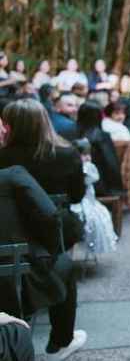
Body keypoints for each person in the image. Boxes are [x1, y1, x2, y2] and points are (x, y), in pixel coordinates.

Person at [0, 153, 86, 361]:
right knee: (63, 264)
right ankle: (61, 341)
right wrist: (47, 252)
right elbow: (51, 216)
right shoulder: (12, 175)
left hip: (13, 275)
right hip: (18, 279)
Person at [70, 139, 118, 254]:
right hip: (80, 201)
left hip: (90, 200)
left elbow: (94, 177)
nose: (87, 158)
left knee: (101, 215)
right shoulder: (74, 168)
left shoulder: (89, 167)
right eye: (83, 155)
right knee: (88, 217)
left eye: (88, 154)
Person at [76, 101, 124, 197]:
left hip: (77, 183)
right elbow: (111, 164)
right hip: (100, 185)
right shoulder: (102, 136)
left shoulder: (70, 133)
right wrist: (118, 188)